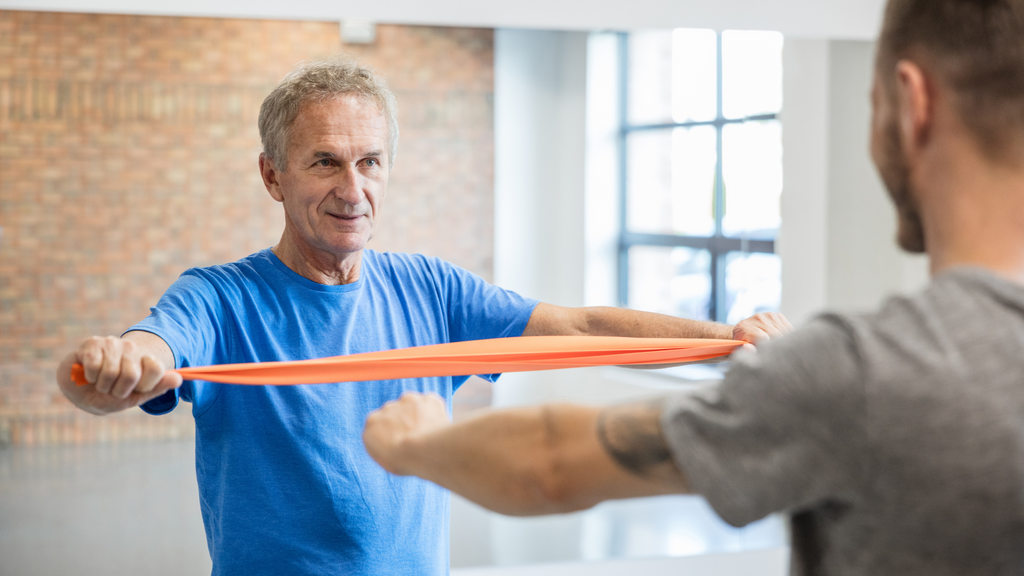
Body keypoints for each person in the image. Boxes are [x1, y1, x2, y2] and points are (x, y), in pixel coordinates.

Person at [55, 56, 790, 576]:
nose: (353, 189)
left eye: (370, 162)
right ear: (272, 175)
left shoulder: (431, 292)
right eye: (324, 163)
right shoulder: (220, 297)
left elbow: (577, 329)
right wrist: (114, 365)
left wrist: (728, 338)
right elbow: (144, 348)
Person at [362, 1, 1024, 574]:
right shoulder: (850, 371)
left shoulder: (863, 372)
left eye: (872, 102)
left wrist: (416, 443)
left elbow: (550, 462)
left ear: (914, 102)